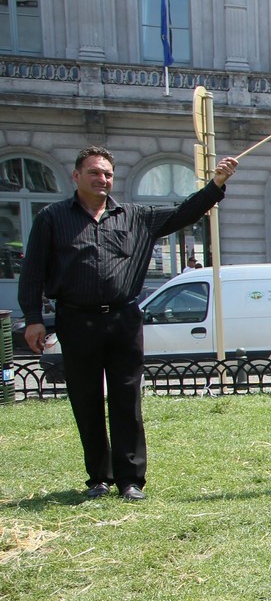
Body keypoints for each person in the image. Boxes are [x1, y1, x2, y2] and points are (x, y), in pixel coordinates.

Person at [18, 147, 239, 501]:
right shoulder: (52, 218)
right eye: (94, 172)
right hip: (76, 319)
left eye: (107, 173)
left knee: (126, 398)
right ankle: (98, 478)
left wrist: (217, 183)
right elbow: (32, 274)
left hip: (123, 318)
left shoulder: (136, 216)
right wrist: (32, 319)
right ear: (76, 177)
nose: (102, 179)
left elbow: (185, 212)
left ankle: (130, 480)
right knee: (86, 399)